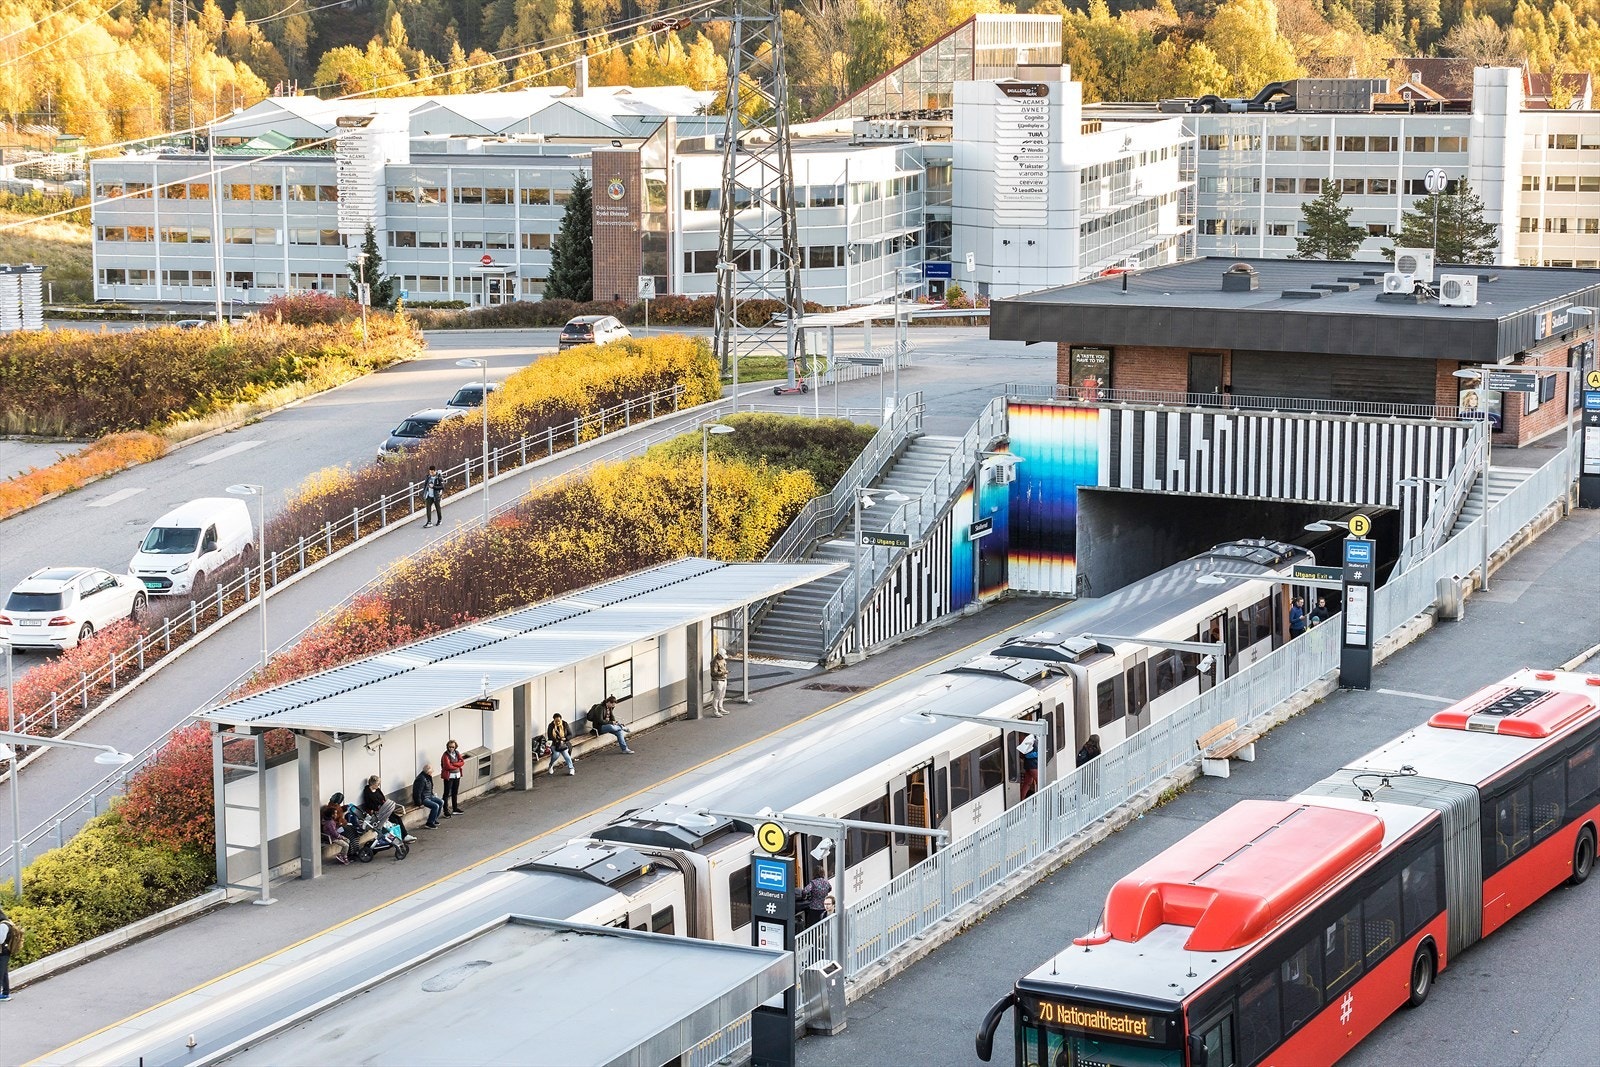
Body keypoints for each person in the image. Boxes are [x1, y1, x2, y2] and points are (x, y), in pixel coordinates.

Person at [361, 775, 414, 841]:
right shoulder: (367, 792)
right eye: (378, 784)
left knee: (398, 818)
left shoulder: (377, 790)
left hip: (384, 808)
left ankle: (405, 835)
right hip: (378, 812)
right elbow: (368, 804)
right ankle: (402, 836)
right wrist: (378, 807)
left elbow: (383, 798)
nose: (379, 785)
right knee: (395, 820)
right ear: (373, 784)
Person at [412, 764, 444, 828]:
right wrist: (419, 803)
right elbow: (417, 792)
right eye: (431, 772)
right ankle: (429, 823)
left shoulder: (428, 777)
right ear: (428, 772)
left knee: (441, 802)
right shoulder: (421, 779)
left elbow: (430, 787)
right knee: (435, 806)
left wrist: (432, 794)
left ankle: (434, 819)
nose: (432, 773)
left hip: (429, 796)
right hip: (423, 798)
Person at [440, 740, 467, 815]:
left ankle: (455, 808)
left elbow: (462, 762)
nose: (451, 748)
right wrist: (457, 765)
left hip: (457, 775)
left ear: (455, 747)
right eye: (450, 747)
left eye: (453, 747)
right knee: (446, 793)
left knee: (455, 792)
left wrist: (454, 764)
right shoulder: (445, 755)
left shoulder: (457, 753)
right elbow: (447, 766)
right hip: (449, 776)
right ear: (447, 747)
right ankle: (445, 810)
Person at [1018, 734, 1040, 800]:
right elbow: (1027, 754)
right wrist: (1038, 754)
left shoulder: (1031, 738)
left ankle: (1022, 799)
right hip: (1032, 764)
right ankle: (1042, 797)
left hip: (1028, 764)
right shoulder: (1030, 738)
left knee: (1028, 782)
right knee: (1038, 780)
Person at [0, 906, 14, 1001]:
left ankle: (5, 993)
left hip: (3, 952)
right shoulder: (5, 923)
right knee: (4, 972)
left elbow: (1, 940)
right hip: (4, 952)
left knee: (1, 973)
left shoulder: (3, 925)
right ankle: (5, 994)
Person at [710, 650, 729, 717]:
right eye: (722, 656)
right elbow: (713, 673)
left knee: (722, 695)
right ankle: (715, 711)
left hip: (723, 679)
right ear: (719, 655)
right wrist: (724, 673)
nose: (722, 658)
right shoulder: (714, 662)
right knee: (717, 696)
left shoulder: (723, 660)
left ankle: (720, 708)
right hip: (717, 680)